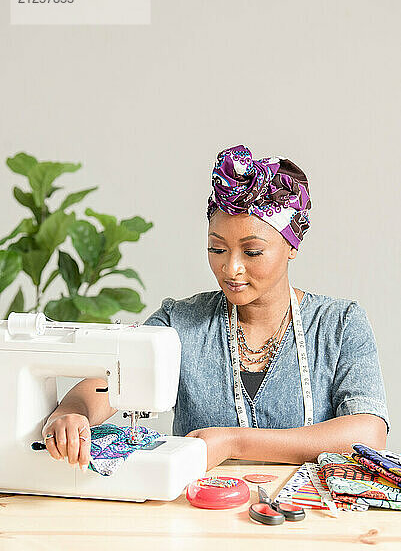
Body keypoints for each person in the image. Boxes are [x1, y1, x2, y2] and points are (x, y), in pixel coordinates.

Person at [42, 145, 389, 471]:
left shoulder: (340, 325)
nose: (231, 268)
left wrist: (235, 443)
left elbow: (368, 434)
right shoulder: (178, 324)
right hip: (197, 515)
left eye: (251, 252)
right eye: (217, 249)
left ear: (291, 246)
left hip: (306, 521)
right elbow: (107, 383)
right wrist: (73, 414)